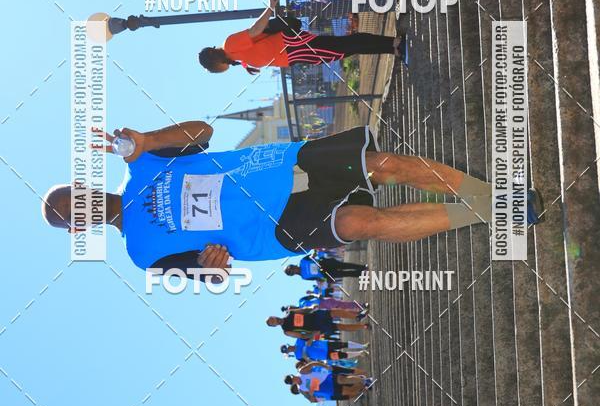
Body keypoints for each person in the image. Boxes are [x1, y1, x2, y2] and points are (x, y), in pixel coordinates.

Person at [42, 119, 542, 275]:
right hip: (272, 229)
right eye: (73, 214)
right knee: (360, 224)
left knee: (383, 165)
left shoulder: (140, 163)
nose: (81, 204)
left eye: (75, 194)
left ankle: (493, 195)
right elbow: (203, 270)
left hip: (280, 164)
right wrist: (213, 267)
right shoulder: (142, 255)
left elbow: (203, 130)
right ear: (80, 228)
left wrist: (149, 140)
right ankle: (496, 211)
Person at [198, 0, 406, 74]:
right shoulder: (235, 58)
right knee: (342, 51)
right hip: (294, 55)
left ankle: (393, 43)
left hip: (293, 47)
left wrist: (270, 7)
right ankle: (392, 48)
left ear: (214, 60)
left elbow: (256, 30)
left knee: (345, 46)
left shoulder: (230, 45)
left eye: (213, 68)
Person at [266, 308, 368, 339]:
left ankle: (357, 316)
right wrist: (315, 334)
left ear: (274, 316)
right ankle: (363, 326)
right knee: (340, 327)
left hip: (315, 315)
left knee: (335, 312)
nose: (274, 320)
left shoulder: (289, 312)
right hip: (316, 327)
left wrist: (312, 308)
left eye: (272, 318)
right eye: (272, 322)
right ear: (274, 326)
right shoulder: (286, 331)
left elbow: (303, 310)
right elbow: (301, 335)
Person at [285, 253, 367, 282]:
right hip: (325, 274)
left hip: (325, 263)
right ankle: (360, 274)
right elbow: (316, 279)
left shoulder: (302, 261)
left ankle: (362, 267)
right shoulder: (304, 277)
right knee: (344, 273)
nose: (294, 269)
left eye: (292, 267)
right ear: (293, 274)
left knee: (344, 265)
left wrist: (314, 254)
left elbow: (312, 255)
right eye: (292, 271)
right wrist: (322, 280)